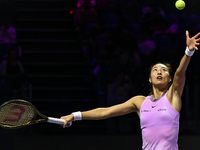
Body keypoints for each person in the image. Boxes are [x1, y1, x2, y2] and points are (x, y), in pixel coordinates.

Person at [60, 30, 200, 150]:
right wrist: (74, 115)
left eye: (164, 70)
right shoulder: (139, 102)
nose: (159, 71)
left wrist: (188, 52)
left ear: (169, 79)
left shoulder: (172, 97)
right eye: (155, 69)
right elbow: (106, 112)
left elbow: (180, 73)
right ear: (150, 79)